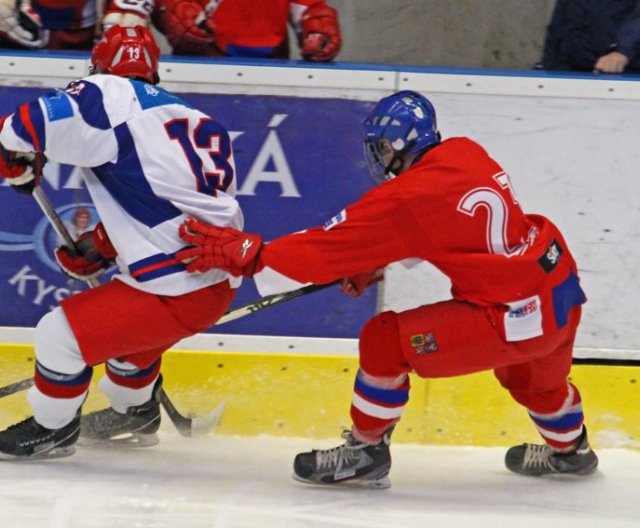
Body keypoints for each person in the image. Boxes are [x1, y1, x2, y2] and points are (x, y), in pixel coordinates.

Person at [175, 90, 599, 487]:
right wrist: (373, 258)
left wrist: (249, 253)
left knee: (384, 342)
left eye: (382, 148)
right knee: (539, 384)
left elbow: (323, 249)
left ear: (401, 144)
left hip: (515, 314)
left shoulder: (408, 196)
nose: (379, 158)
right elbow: (449, 227)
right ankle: (572, 452)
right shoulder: (465, 152)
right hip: (558, 289)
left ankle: (365, 452)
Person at [0, 24, 244, 459]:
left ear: (98, 66)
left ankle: (51, 429)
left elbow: (21, 126)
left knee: (59, 336)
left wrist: (15, 157)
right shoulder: (195, 119)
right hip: (212, 279)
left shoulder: (107, 92)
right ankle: (137, 414)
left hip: (174, 287)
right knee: (128, 346)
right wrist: (103, 246)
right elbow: (162, 198)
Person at [151, 0, 341, 61]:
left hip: (273, 71)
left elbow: (308, 8)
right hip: (203, 64)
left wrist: (318, 30)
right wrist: (177, 12)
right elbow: (164, 7)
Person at [539, 0, 640, 73]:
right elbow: (560, 22)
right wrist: (549, 64)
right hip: (570, 68)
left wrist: (622, 52)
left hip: (622, 70)